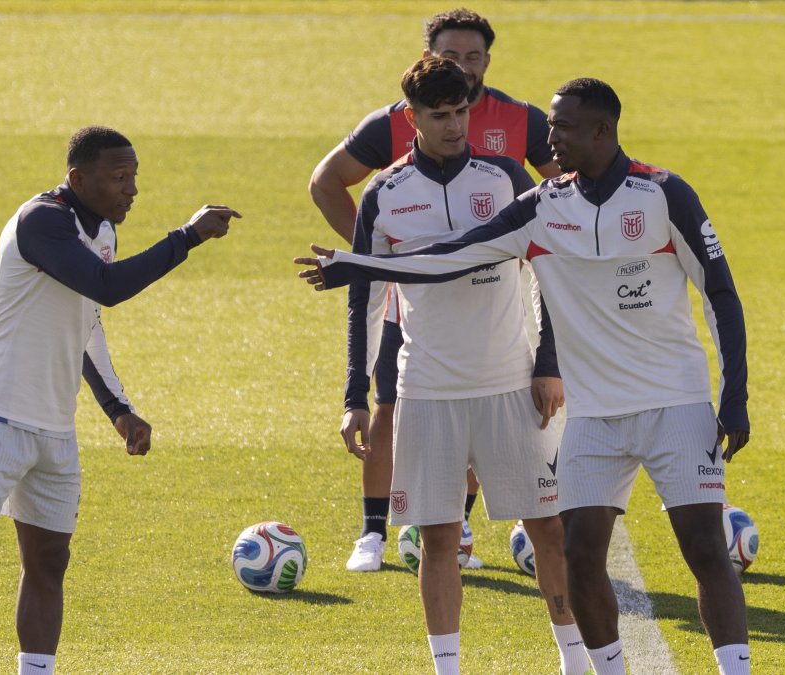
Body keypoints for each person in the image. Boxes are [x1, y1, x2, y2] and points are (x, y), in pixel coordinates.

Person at [296, 78, 752, 675]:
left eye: (560, 126)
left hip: (676, 402)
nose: (548, 136)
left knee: (703, 548)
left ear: (601, 131)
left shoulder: (665, 194)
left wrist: (734, 396)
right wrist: (357, 264)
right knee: (580, 554)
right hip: (591, 418)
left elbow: (720, 292)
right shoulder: (542, 206)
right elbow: (452, 253)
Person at [0, 126, 241, 675]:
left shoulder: (102, 230)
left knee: (48, 563)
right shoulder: (42, 222)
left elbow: (88, 321)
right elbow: (107, 286)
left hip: (55, 430)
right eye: (118, 178)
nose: (130, 189)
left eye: (134, 177)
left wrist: (118, 409)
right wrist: (187, 236)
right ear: (77, 179)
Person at [334, 55, 589, 675]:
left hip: (511, 383)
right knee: (439, 538)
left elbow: (547, 271)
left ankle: (575, 661)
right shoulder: (385, 194)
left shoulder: (504, 175)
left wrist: (547, 363)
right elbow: (365, 298)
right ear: (410, 117)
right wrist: (354, 396)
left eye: (461, 112)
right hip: (427, 389)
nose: (454, 126)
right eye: (439, 115)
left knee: (550, 530)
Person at [309, 6, 561, 575]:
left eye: (473, 58)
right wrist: (372, 257)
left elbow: (559, 205)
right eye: (452, 56)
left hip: (499, 317)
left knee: (534, 501)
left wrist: (360, 263)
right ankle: (376, 528)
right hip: (415, 315)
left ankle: (456, 520)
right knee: (388, 404)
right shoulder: (388, 164)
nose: (463, 68)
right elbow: (326, 184)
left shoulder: (514, 137)